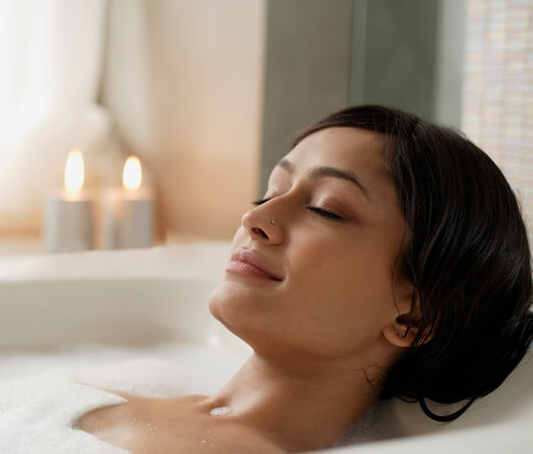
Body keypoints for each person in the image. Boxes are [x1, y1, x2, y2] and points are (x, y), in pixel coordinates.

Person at [79, 105, 533, 453]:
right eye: (271, 192)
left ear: (413, 319)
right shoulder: (104, 399)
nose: (255, 217)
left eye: (327, 209)